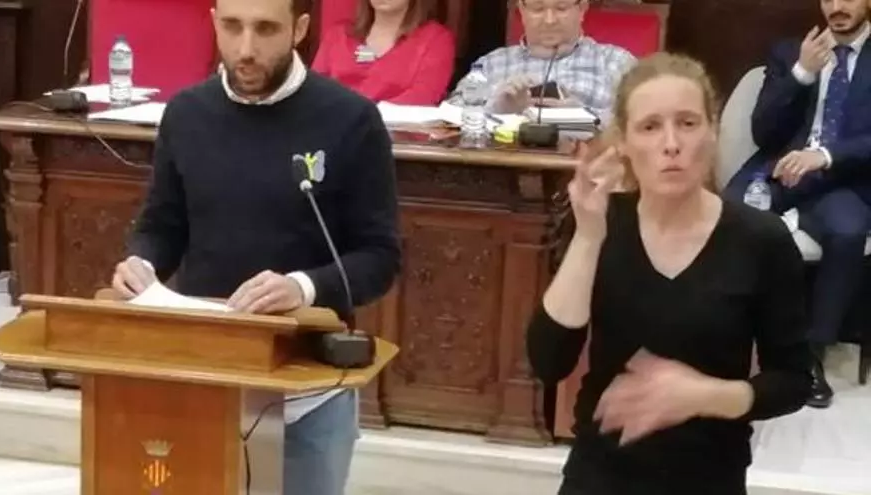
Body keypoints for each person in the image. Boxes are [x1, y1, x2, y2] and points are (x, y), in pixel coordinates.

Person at [110, 0, 401, 494]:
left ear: (299, 29)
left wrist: (302, 287)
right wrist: (141, 262)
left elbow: (379, 257)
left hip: (308, 387)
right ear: (213, 22)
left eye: (265, 29)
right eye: (232, 27)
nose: (245, 49)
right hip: (205, 375)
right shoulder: (187, 114)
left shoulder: (351, 119)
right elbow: (163, 224)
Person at [526, 53, 812, 495]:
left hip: (708, 477)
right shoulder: (601, 223)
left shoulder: (761, 239)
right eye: (650, 127)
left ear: (712, 131)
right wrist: (588, 237)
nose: (671, 144)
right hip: (600, 473)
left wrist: (703, 395)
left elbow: (793, 381)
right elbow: (548, 362)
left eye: (688, 123)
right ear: (623, 142)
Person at [723, 0, 871, 408]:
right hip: (781, 169)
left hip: (844, 178)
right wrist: (802, 73)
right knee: (726, 217)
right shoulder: (789, 52)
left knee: (848, 230)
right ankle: (726, 339)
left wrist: (825, 156)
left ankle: (811, 355)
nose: (837, 7)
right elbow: (763, 131)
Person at [448, 0, 635, 119]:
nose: (549, 20)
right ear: (522, 10)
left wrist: (584, 116)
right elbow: (446, 120)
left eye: (561, 8)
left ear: (582, 9)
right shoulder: (490, 65)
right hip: (505, 162)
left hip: (586, 163)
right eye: (538, 9)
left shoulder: (615, 62)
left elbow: (642, 122)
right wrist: (495, 110)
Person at [312, 0, 455, 105]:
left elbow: (424, 96)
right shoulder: (338, 35)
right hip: (334, 127)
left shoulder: (436, 39)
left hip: (396, 132)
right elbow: (314, 88)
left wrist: (367, 115)